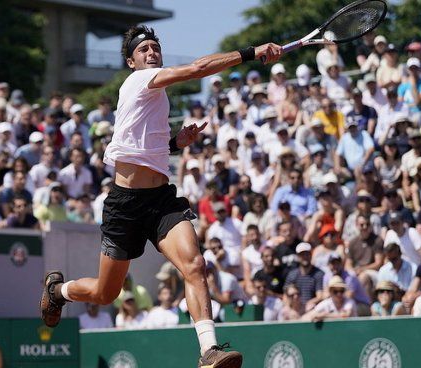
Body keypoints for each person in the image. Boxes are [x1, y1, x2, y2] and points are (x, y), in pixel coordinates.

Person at [40, 25, 281, 366]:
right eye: (144, 50)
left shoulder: (156, 94)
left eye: (156, 47)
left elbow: (140, 147)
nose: (152, 53)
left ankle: (209, 350)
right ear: (131, 62)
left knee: (196, 265)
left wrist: (175, 144)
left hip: (162, 202)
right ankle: (58, 291)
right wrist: (252, 52)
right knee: (105, 294)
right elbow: (198, 69)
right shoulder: (140, 81)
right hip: (125, 205)